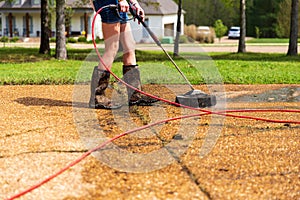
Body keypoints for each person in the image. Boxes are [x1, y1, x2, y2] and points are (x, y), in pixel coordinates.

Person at [89, 0, 158, 109]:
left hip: (118, 3)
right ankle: (98, 97)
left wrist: (135, 4)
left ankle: (135, 95)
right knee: (112, 48)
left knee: (129, 47)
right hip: (109, 2)